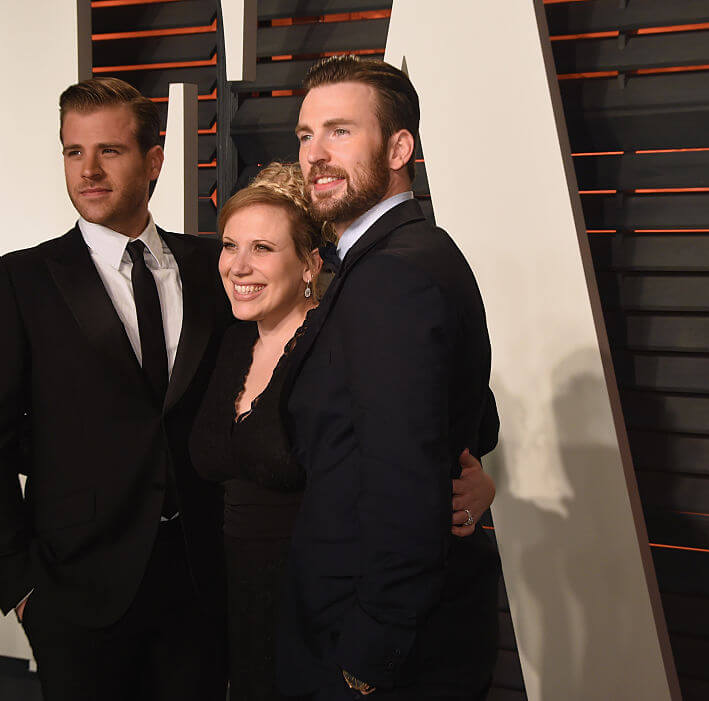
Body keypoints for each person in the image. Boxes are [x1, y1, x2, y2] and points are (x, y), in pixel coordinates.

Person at [0, 77, 231, 701]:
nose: (88, 171)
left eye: (108, 150)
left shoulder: (212, 267)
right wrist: (19, 587)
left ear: (152, 160)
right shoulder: (22, 282)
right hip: (75, 588)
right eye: (73, 152)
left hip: (200, 578)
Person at [190, 163, 497, 701]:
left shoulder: (343, 334)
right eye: (230, 245)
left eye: (263, 248)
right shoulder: (229, 340)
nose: (239, 265)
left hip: (317, 605)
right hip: (230, 601)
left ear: (310, 264)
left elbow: (452, 419)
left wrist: (473, 486)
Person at [277, 56, 501, 700]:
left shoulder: (391, 275)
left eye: (340, 131)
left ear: (400, 147)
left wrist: (370, 655)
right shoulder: (416, 250)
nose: (315, 154)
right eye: (304, 135)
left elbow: (400, 475)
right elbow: (473, 413)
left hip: (373, 645)